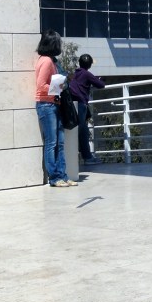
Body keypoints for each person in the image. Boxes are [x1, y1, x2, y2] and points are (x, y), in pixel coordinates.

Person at [35, 29, 77, 188]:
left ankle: (62, 175)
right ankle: (54, 177)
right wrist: (57, 88)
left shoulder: (51, 60)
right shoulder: (46, 61)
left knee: (59, 142)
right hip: (46, 104)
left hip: (53, 103)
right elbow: (41, 85)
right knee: (52, 142)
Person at [69, 54, 106, 166]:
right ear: (89, 64)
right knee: (83, 131)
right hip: (80, 104)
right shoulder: (86, 74)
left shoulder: (75, 73)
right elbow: (100, 85)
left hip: (73, 104)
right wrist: (101, 80)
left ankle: (87, 156)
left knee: (81, 131)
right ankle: (88, 157)